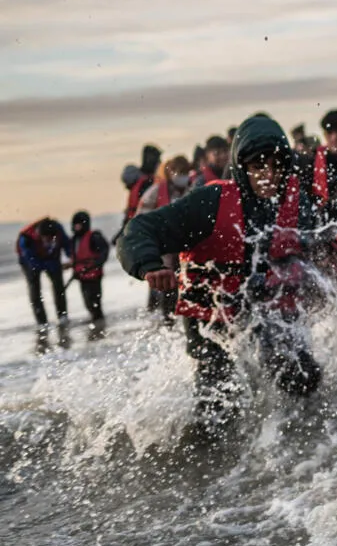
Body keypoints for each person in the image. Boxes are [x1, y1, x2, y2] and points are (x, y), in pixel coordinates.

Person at [119, 114, 325, 419]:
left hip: (263, 313)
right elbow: (139, 231)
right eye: (258, 166)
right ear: (243, 167)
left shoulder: (297, 203)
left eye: (277, 165)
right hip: (210, 320)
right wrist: (148, 265)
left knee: (303, 379)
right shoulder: (210, 203)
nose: (269, 174)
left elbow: (320, 248)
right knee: (218, 410)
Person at [137, 155, 193, 321]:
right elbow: (142, 217)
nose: (182, 176)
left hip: (186, 246)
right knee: (167, 282)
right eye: (178, 172)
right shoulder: (155, 191)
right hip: (164, 246)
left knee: (187, 282)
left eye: (185, 172)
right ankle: (166, 319)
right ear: (170, 172)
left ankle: (182, 317)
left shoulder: (193, 189)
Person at [16, 217, 72, 329]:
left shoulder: (58, 229)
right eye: (46, 239)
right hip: (29, 261)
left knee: (58, 286)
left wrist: (71, 258)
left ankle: (62, 316)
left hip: (51, 257)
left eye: (52, 239)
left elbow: (67, 244)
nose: (49, 241)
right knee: (35, 290)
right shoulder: (26, 238)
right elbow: (32, 262)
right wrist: (53, 266)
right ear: (39, 236)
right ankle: (42, 322)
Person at [68, 211, 109, 330]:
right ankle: (96, 321)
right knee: (87, 302)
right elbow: (75, 259)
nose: (76, 227)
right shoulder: (74, 240)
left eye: (79, 224)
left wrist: (97, 264)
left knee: (95, 301)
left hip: (94, 275)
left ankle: (99, 324)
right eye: (75, 224)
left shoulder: (94, 237)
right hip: (82, 276)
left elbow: (104, 252)